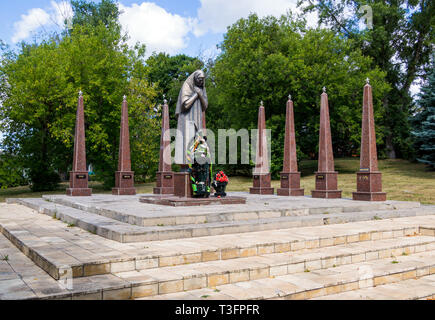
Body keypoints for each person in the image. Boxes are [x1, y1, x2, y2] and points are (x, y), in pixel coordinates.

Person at [174, 70, 208, 166]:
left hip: (197, 119)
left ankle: (197, 163)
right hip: (186, 119)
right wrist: (196, 94)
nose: (201, 82)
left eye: (203, 80)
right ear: (194, 78)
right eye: (199, 79)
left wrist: (200, 95)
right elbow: (185, 105)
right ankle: (186, 165)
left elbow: (205, 106)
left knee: (197, 141)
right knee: (187, 141)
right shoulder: (187, 85)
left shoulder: (202, 88)